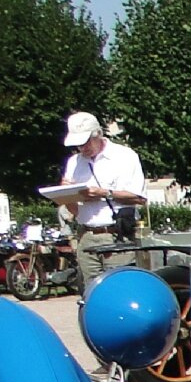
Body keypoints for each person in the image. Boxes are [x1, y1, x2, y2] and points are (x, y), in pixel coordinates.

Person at [58, 111, 147, 293]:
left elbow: (139, 197)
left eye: (86, 142)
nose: (83, 148)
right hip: (86, 235)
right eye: (78, 145)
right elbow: (74, 210)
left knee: (120, 290)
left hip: (116, 233)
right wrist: (66, 194)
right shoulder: (74, 162)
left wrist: (104, 193)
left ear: (98, 134)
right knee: (92, 294)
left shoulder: (124, 156)